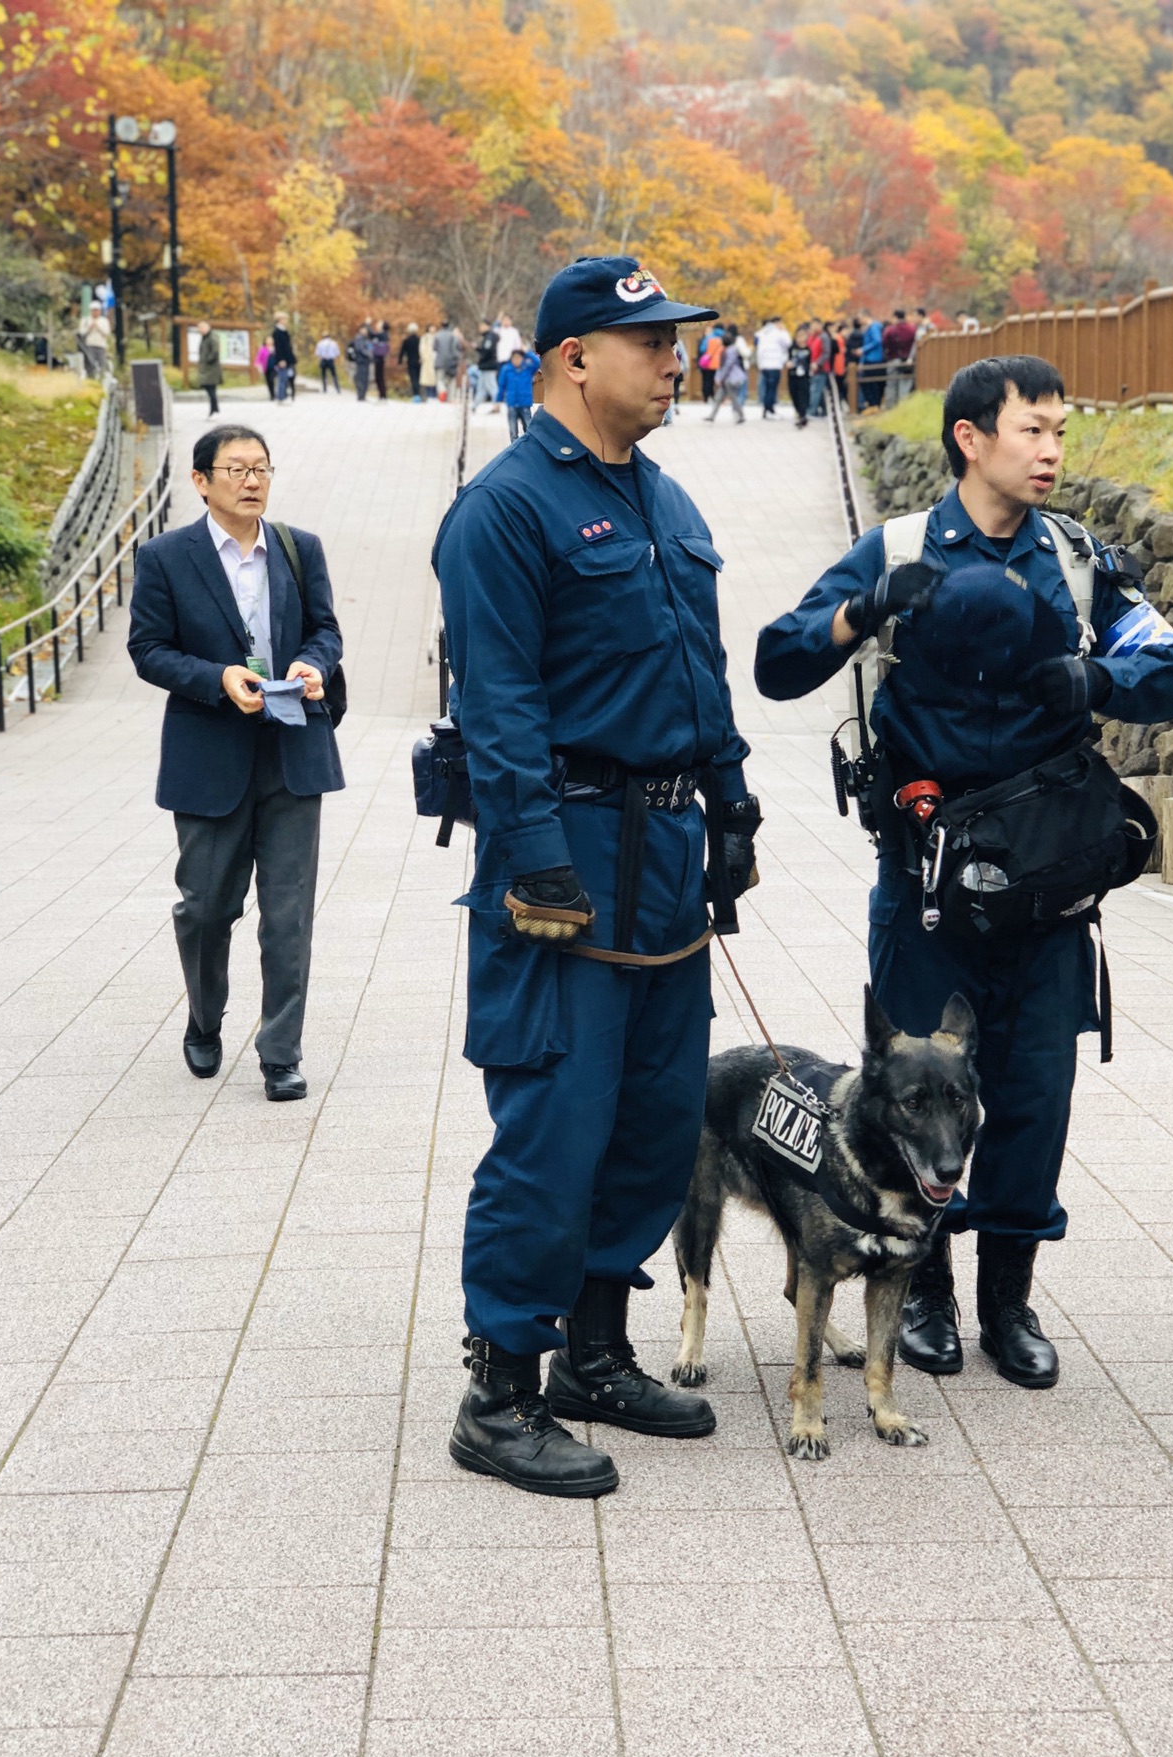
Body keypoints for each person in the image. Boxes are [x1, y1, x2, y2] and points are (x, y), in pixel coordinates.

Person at [754, 356, 1173, 1391]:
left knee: (1033, 1101)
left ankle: (1009, 1305)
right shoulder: (899, 551)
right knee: (916, 1097)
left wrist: (1093, 673)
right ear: (970, 437)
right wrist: (864, 611)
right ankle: (927, 1302)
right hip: (928, 888)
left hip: (1048, 895)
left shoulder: (1080, 560)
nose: (1050, 451)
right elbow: (778, 661)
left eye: (1059, 433)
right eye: (1032, 430)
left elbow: (1170, 669)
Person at [432, 254, 762, 1498]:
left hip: (668, 859)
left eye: (679, 341)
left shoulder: (666, 499)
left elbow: (703, 670)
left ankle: (597, 1354)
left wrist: (730, 806)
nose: (678, 360)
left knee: (657, 1118)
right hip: (564, 856)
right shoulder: (505, 509)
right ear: (576, 356)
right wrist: (536, 866)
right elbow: (501, 706)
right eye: (654, 343)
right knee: (554, 1130)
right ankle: (500, 1389)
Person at [127, 424, 346, 1103]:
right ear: (201, 481)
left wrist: (314, 664)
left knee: (289, 915)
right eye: (236, 469)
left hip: (292, 754)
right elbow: (148, 649)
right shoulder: (165, 557)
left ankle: (280, 1051)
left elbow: (324, 629)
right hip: (209, 757)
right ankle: (203, 1015)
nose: (252, 480)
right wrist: (217, 678)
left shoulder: (297, 549)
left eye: (261, 469)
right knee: (206, 908)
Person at [707, 325, 747, 423]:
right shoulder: (728, 350)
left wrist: (720, 378)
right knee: (719, 396)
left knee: (732, 397)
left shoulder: (730, 352)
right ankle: (712, 416)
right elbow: (721, 366)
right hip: (726, 379)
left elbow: (726, 367)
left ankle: (741, 415)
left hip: (730, 379)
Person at [754, 315, 792, 417]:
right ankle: (769, 409)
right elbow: (788, 343)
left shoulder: (762, 333)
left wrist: (760, 364)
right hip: (774, 364)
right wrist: (784, 331)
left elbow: (759, 349)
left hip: (764, 365)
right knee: (772, 388)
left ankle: (767, 409)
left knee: (767, 388)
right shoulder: (779, 333)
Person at [495, 343, 535, 440]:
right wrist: (498, 401)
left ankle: (529, 447)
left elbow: (537, 362)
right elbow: (501, 386)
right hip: (512, 403)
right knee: (513, 431)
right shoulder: (506, 369)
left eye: (519, 358)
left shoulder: (527, 368)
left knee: (529, 428)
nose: (516, 360)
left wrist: (527, 353)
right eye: (514, 358)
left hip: (524, 402)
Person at [882, 308, 917, 408]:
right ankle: (903, 407)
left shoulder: (890, 330)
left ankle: (890, 408)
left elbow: (884, 343)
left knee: (891, 385)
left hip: (893, 359)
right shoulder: (912, 329)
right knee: (905, 385)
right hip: (908, 361)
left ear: (895, 317)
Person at [856, 311, 884, 412]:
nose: (859, 321)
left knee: (871, 383)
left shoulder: (873, 327)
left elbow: (877, 341)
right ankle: (872, 404)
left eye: (860, 318)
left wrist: (864, 349)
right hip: (868, 358)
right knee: (868, 383)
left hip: (874, 359)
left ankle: (874, 404)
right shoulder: (868, 328)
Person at [193, 320, 222, 416]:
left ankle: (214, 409)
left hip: (211, 368)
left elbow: (215, 351)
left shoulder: (212, 337)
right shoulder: (205, 338)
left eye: (201, 327)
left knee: (211, 389)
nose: (199, 330)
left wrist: (208, 360)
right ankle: (214, 409)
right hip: (207, 368)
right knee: (209, 388)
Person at [786, 322, 812, 428]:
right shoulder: (792, 348)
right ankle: (800, 414)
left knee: (803, 396)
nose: (800, 338)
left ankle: (802, 416)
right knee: (794, 395)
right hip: (792, 375)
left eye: (803, 336)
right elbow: (787, 358)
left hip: (804, 377)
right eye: (798, 336)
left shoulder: (809, 349)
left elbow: (811, 362)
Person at [432, 318, 463, 400]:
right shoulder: (453, 335)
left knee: (439, 379)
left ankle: (443, 391)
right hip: (451, 361)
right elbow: (457, 347)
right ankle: (451, 397)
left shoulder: (437, 335)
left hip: (440, 361)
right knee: (451, 380)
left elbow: (434, 348)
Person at [270, 312, 297, 403]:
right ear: (280, 320)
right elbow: (278, 348)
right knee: (282, 378)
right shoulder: (277, 332)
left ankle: (283, 395)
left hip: (287, 358)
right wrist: (281, 359)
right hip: (282, 359)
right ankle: (281, 397)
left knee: (286, 378)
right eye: (284, 319)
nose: (286, 321)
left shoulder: (284, 331)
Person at [474, 319, 500, 407]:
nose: (480, 328)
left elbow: (487, 351)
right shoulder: (488, 336)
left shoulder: (489, 337)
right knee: (481, 388)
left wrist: (481, 359)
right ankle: (474, 406)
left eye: (481, 326)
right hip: (485, 366)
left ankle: (497, 404)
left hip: (488, 365)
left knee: (492, 387)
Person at [808, 320, 830, 418]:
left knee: (816, 390)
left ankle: (811, 411)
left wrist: (818, 363)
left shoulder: (823, 337)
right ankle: (822, 410)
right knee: (818, 391)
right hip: (812, 367)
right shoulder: (812, 337)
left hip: (820, 368)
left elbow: (826, 353)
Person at [664, 334, 689, 424]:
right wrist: (685, 368)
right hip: (678, 368)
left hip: (669, 370)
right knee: (673, 389)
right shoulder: (679, 344)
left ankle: (668, 416)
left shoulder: (665, 343)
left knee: (667, 391)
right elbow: (684, 356)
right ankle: (672, 411)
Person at [83, 308, 111, 380]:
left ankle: (102, 378)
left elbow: (106, 333)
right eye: (94, 310)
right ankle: (90, 377)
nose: (95, 312)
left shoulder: (104, 321)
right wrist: (90, 327)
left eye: (97, 310)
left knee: (102, 363)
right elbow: (82, 333)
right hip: (90, 344)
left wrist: (98, 327)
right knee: (90, 363)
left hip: (100, 345)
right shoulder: (86, 320)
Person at [696, 324, 721, 403]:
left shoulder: (707, 339)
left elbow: (702, 349)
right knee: (714, 380)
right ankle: (713, 396)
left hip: (707, 363)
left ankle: (706, 397)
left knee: (706, 380)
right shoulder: (718, 339)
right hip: (716, 363)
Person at [349, 324, 374, 402]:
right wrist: (369, 354)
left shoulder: (366, 339)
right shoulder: (359, 338)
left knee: (365, 378)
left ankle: (363, 395)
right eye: (364, 330)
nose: (366, 331)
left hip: (365, 361)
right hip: (361, 361)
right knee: (361, 378)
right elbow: (360, 349)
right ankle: (361, 395)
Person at [398, 321, 422, 400]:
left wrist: (400, 361)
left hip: (410, 362)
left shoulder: (406, 341)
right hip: (419, 361)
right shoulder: (420, 340)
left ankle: (416, 395)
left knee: (413, 378)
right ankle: (419, 393)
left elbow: (402, 352)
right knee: (418, 378)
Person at [371, 320, 390, 399]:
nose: (377, 325)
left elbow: (372, 337)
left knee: (379, 376)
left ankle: (383, 394)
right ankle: (382, 394)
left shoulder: (382, 335)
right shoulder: (380, 335)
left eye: (379, 324)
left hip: (379, 357)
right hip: (378, 357)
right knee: (378, 376)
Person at [257, 335, 276, 400]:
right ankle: (271, 394)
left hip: (274, 368)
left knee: (271, 379)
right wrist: (259, 366)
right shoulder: (262, 349)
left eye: (270, 340)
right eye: (268, 340)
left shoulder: (275, 348)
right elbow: (259, 358)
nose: (269, 341)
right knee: (268, 381)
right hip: (266, 367)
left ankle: (273, 394)